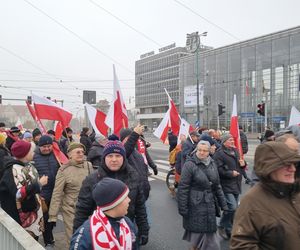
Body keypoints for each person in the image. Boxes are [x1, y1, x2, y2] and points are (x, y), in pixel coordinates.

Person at [73, 140, 149, 247]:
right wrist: (78, 235)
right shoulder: (92, 179)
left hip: (127, 230)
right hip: (99, 235)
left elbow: (140, 206)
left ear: (124, 158)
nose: (114, 160)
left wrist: (144, 229)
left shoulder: (134, 176)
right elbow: (82, 211)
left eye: (118, 156)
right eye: (110, 156)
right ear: (104, 158)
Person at [231, 141, 300, 249]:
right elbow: (242, 245)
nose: (293, 169)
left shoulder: (295, 191)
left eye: (294, 164)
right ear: (269, 168)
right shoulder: (252, 202)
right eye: (286, 165)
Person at [178, 140, 228, 250]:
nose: (201, 152)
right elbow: (183, 187)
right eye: (199, 150)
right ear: (196, 150)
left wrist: (223, 204)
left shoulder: (212, 163)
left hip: (209, 205)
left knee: (205, 239)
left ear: (209, 151)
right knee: (202, 240)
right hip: (195, 205)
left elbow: (217, 185)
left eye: (204, 150)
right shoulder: (189, 165)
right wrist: (183, 208)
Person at [70, 178, 137, 250]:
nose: (129, 200)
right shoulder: (85, 235)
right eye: (125, 197)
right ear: (114, 203)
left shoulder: (127, 223)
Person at [0, 140, 48, 239]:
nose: (34, 153)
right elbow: (18, 194)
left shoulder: (29, 165)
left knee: (34, 240)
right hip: (23, 218)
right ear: (25, 154)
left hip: (33, 213)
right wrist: (38, 184)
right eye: (32, 151)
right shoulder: (12, 170)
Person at [48, 143, 93, 247]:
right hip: (71, 209)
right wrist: (53, 216)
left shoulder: (88, 166)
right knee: (74, 237)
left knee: (88, 237)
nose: (81, 154)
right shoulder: (63, 170)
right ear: (70, 155)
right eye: (78, 152)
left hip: (88, 207)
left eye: (82, 152)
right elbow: (57, 193)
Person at [213, 133, 246, 240]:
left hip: (236, 183)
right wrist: (230, 173)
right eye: (230, 140)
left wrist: (243, 164)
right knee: (232, 207)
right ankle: (222, 225)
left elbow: (240, 167)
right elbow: (218, 169)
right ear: (224, 141)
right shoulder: (219, 154)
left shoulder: (235, 151)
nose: (232, 141)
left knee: (233, 209)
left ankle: (228, 229)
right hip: (225, 184)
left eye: (232, 139)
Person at [33, 135, 60, 248]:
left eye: (49, 146)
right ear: (39, 147)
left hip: (54, 193)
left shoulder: (56, 155)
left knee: (50, 218)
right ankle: (34, 241)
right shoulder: (34, 157)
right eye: (44, 146)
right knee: (40, 219)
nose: (47, 149)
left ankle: (49, 240)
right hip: (41, 195)